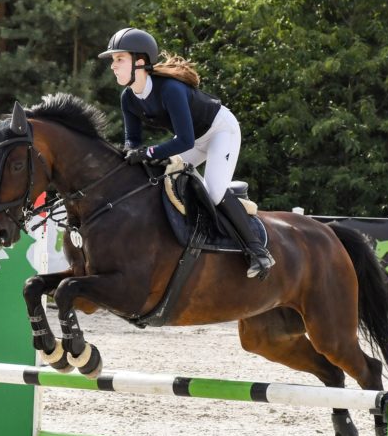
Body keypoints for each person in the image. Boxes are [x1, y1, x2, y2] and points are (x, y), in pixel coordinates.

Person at [98, 27, 275, 279]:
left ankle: (258, 251)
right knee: (158, 179)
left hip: (220, 130)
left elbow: (183, 140)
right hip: (194, 139)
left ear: (139, 62)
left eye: (119, 59)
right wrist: (128, 156)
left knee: (214, 191)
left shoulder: (170, 89)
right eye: (114, 61)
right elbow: (133, 140)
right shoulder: (128, 97)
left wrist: (147, 152)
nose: (113, 66)